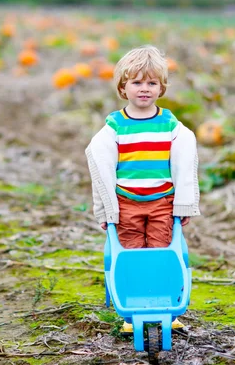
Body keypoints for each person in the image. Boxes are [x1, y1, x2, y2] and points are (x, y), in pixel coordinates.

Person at [85, 45, 200, 331]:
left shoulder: (170, 125)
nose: (144, 89)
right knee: (131, 253)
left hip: (162, 201)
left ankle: (166, 307)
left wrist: (183, 204)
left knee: (163, 252)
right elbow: (100, 166)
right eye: (137, 82)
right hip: (127, 203)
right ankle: (132, 309)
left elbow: (185, 162)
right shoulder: (115, 126)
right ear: (123, 88)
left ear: (161, 88)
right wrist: (105, 210)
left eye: (152, 83)